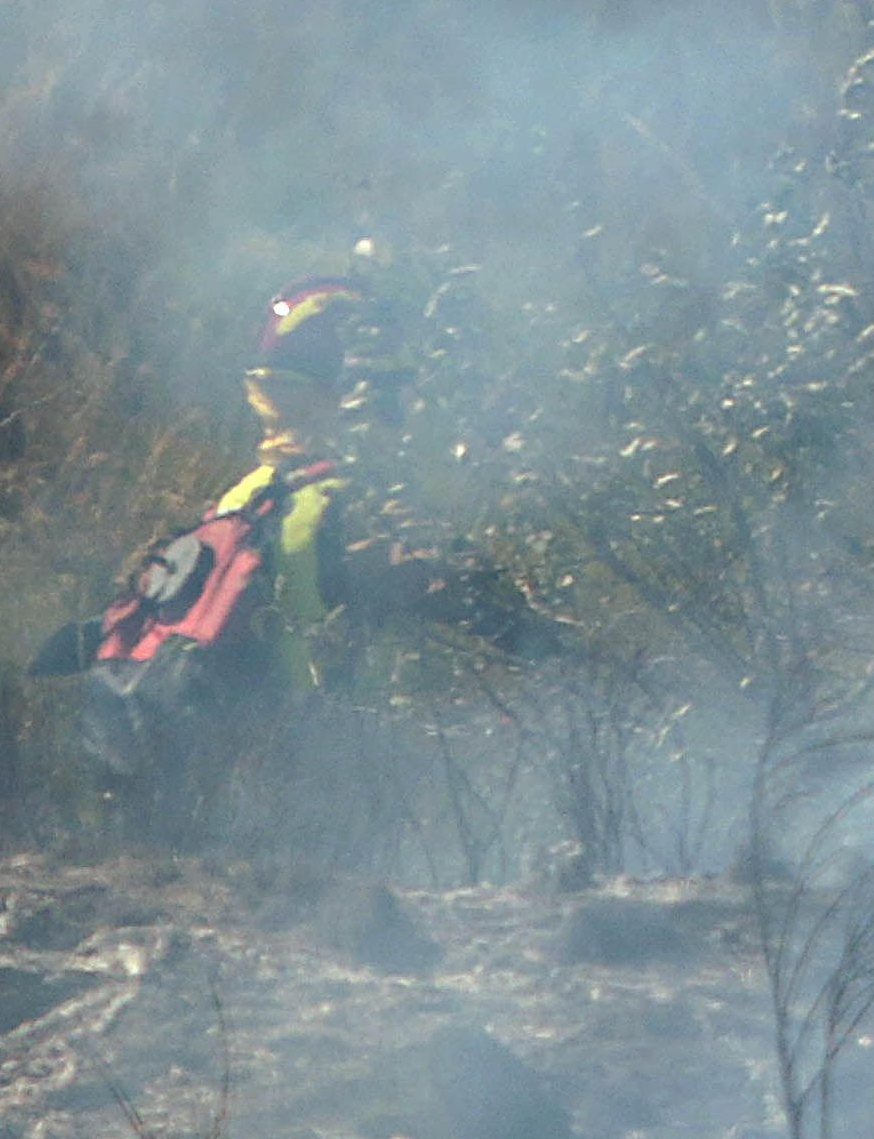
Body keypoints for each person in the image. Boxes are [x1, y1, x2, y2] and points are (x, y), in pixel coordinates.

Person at [36, 271, 530, 777]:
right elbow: (471, 601)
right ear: (361, 396)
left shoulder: (243, 497)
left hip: (242, 775)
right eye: (393, 393)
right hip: (336, 774)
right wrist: (563, 643)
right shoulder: (356, 506)